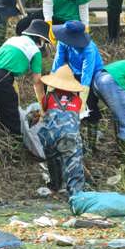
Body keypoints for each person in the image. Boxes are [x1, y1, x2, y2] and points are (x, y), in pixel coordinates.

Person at [0, 18, 51, 135]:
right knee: (12, 116)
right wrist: (43, 106)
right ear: (41, 38)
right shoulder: (35, 51)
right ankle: (16, 141)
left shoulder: (13, 39)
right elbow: (37, 82)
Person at [35, 65, 87, 197]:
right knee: (74, 160)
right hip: (69, 136)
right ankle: (76, 192)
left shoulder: (49, 97)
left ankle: (55, 185)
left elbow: (44, 110)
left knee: (53, 159)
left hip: (50, 136)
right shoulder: (77, 100)